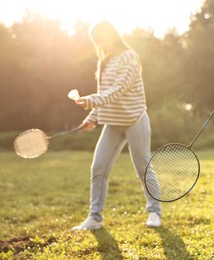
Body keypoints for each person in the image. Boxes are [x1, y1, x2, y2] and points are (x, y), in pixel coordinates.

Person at [71, 21, 161, 230]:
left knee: (143, 168)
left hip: (135, 119)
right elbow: (105, 93)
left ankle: (155, 212)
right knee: (98, 168)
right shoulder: (103, 62)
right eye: (95, 41)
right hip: (112, 123)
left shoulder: (130, 57)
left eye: (101, 39)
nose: (99, 44)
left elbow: (119, 89)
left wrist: (90, 101)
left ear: (112, 35)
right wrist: (92, 117)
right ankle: (94, 218)